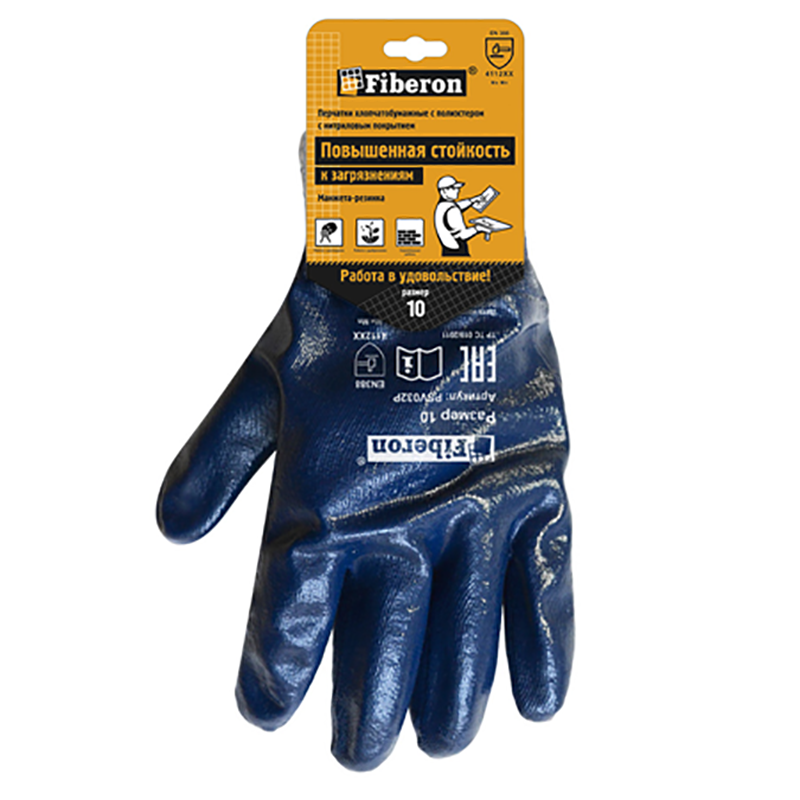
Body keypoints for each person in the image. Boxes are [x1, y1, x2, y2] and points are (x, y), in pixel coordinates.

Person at [433, 175, 490, 257]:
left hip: (447, 248)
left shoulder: (442, 205)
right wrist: (478, 228)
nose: (458, 190)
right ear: (443, 191)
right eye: (454, 188)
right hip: (457, 251)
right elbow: (463, 235)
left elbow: (457, 205)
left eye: (458, 188)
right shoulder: (453, 210)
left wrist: (472, 200)